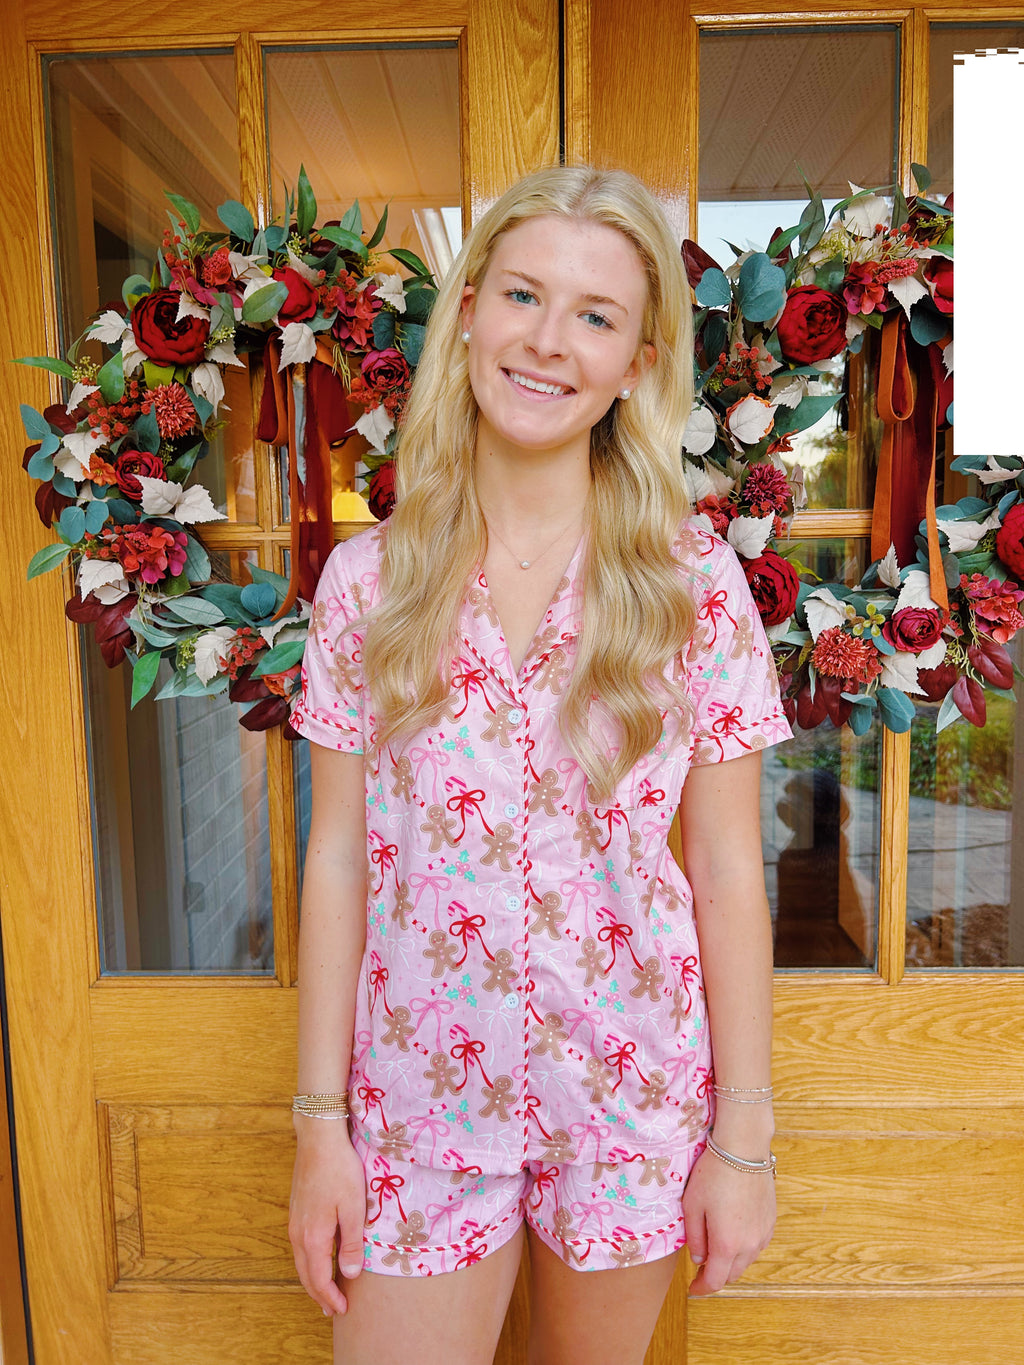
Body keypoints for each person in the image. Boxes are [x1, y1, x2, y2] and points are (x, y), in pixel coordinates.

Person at [287, 165, 792, 1365]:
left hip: (626, 1101)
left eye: (595, 315)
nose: (548, 341)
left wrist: (743, 1143)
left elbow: (728, 872)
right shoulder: (366, 586)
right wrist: (318, 1128)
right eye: (522, 294)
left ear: (636, 362)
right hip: (415, 1108)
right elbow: (339, 859)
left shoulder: (692, 588)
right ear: (467, 311)